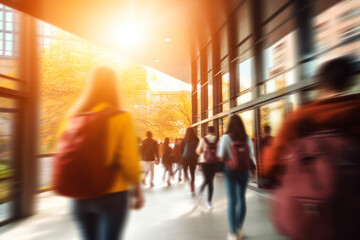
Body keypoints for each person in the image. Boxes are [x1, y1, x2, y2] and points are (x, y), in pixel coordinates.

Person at [263, 57, 360, 239]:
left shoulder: (300, 119)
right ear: (351, 81)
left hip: (309, 218)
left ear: (321, 86)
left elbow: (270, 165)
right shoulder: (356, 113)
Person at [63, 66, 144, 240]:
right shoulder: (120, 117)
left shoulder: (75, 117)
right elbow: (129, 160)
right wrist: (137, 189)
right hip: (112, 193)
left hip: (80, 195)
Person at [217, 115, 256, 240]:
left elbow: (220, 155)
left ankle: (233, 233)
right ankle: (239, 229)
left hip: (230, 171)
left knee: (232, 201)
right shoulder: (247, 138)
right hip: (244, 171)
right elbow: (251, 155)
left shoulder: (225, 138)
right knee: (241, 199)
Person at [196, 126, 219, 209]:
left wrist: (204, 151)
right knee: (210, 181)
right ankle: (209, 202)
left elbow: (198, 151)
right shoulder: (217, 140)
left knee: (206, 179)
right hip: (214, 163)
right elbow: (219, 152)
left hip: (204, 162)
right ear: (214, 131)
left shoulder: (203, 139)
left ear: (207, 131)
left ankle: (200, 191)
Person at [181, 127, 199, 196]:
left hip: (185, 159)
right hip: (193, 159)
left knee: (185, 170)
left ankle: (186, 176)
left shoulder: (184, 140)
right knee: (193, 174)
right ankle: (192, 189)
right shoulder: (196, 139)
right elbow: (198, 149)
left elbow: (181, 150)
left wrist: (182, 157)